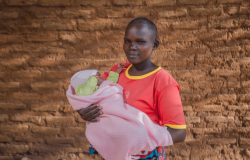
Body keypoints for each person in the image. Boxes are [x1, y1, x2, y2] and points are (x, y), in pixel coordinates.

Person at [78, 17, 186, 160]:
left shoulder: (162, 81)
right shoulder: (117, 71)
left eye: (140, 42)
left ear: (155, 44)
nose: (131, 47)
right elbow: (88, 94)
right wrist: (84, 110)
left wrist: (134, 140)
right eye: (127, 41)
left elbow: (178, 133)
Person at [67, 63, 173, 160]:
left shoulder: (159, 77)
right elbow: (83, 96)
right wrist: (93, 81)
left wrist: (116, 72)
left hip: (148, 152)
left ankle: (154, 136)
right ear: (88, 80)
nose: (101, 78)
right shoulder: (87, 89)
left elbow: (110, 82)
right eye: (97, 76)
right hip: (106, 114)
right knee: (126, 130)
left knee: (139, 119)